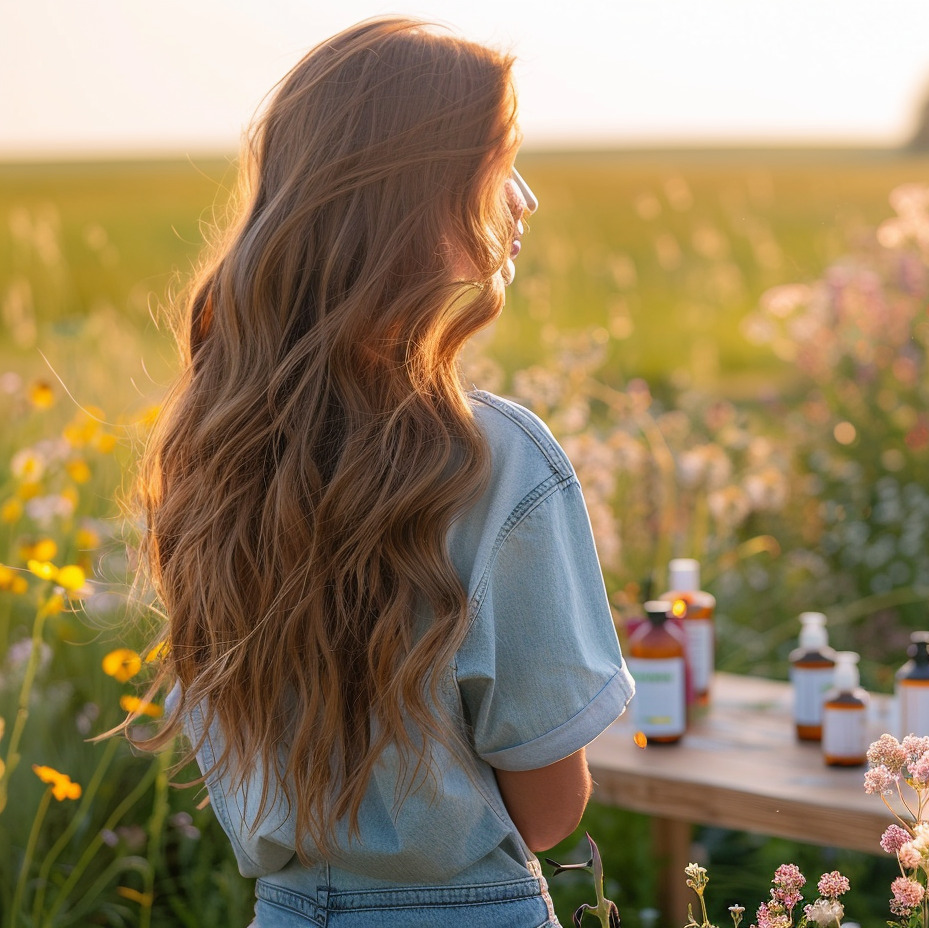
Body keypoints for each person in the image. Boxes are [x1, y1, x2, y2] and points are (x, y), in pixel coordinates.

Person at [125, 17, 634, 928]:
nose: (524, 198)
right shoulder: (501, 462)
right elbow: (551, 812)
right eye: (499, 161)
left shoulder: (209, 452)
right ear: (420, 203)